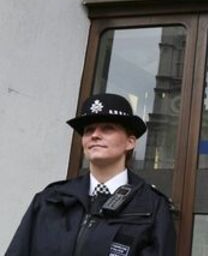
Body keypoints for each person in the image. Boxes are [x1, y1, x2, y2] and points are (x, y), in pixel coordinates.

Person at [6, 93, 176, 256]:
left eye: (107, 128)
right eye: (89, 130)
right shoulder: (50, 199)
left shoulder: (151, 206)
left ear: (130, 142)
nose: (95, 135)